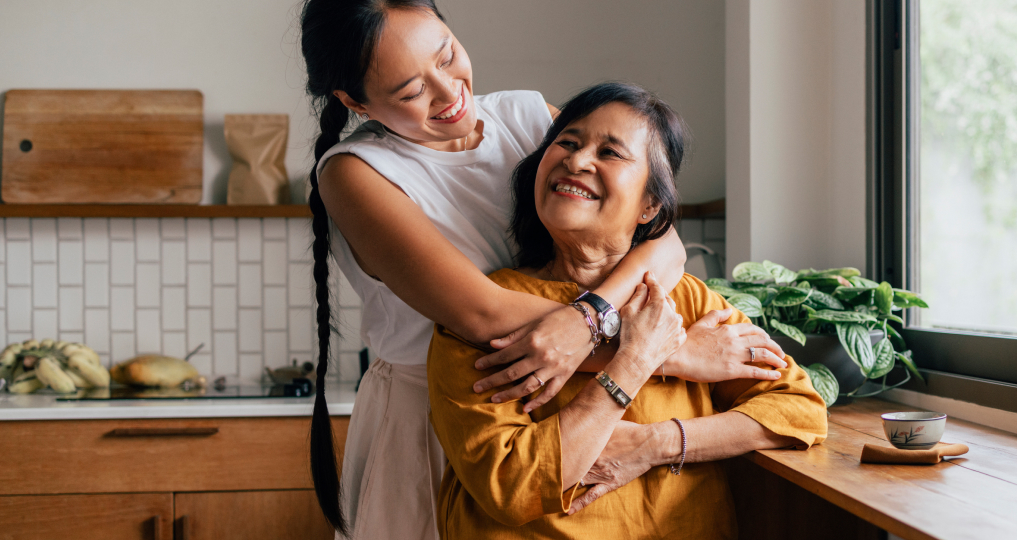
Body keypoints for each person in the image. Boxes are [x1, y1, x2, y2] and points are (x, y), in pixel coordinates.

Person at [297, 1, 791, 538]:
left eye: (447, 56)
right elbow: (483, 315)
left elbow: (662, 237)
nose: (448, 91)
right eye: (412, 92)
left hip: (555, 402)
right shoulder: (354, 174)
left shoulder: (528, 117)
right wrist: (668, 351)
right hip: (446, 416)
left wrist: (593, 316)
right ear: (354, 102)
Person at [427, 82, 829, 539]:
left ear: (650, 205)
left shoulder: (686, 300)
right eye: (568, 142)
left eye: (611, 153)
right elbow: (511, 484)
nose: (577, 161)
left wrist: (656, 443)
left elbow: (799, 408)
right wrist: (635, 362)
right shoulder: (484, 313)